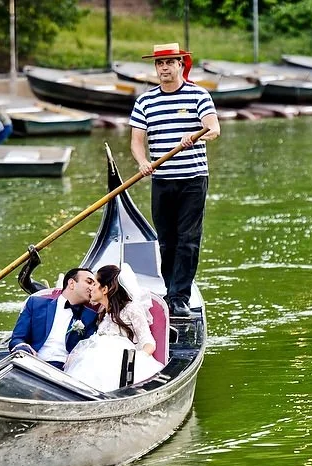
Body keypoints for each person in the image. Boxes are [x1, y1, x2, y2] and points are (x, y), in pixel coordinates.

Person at [129, 42, 220, 318]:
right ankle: (172, 291)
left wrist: (196, 136)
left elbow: (214, 129)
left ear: (181, 64)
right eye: (160, 63)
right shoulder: (145, 101)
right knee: (166, 241)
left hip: (193, 179)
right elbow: (136, 142)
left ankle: (180, 297)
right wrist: (143, 162)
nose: (164, 68)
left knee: (188, 239)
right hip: (163, 180)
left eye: (170, 62)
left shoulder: (198, 95)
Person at [64, 264, 165, 392]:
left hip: (121, 361)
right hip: (95, 360)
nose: (91, 288)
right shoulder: (103, 313)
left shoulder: (131, 309)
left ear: (104, 289)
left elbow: (148, 341)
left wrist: (138, 359)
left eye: (94, 284)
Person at [9, 268, 99, 370]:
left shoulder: (90, 316)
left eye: (94, 285)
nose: (92, 288)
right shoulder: (35, 303)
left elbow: (88, 346)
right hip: (32, 361)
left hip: (65, 369)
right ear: (71, 283)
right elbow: (17, 338)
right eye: (89, 282)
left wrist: (77, 356)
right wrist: (23, 347)